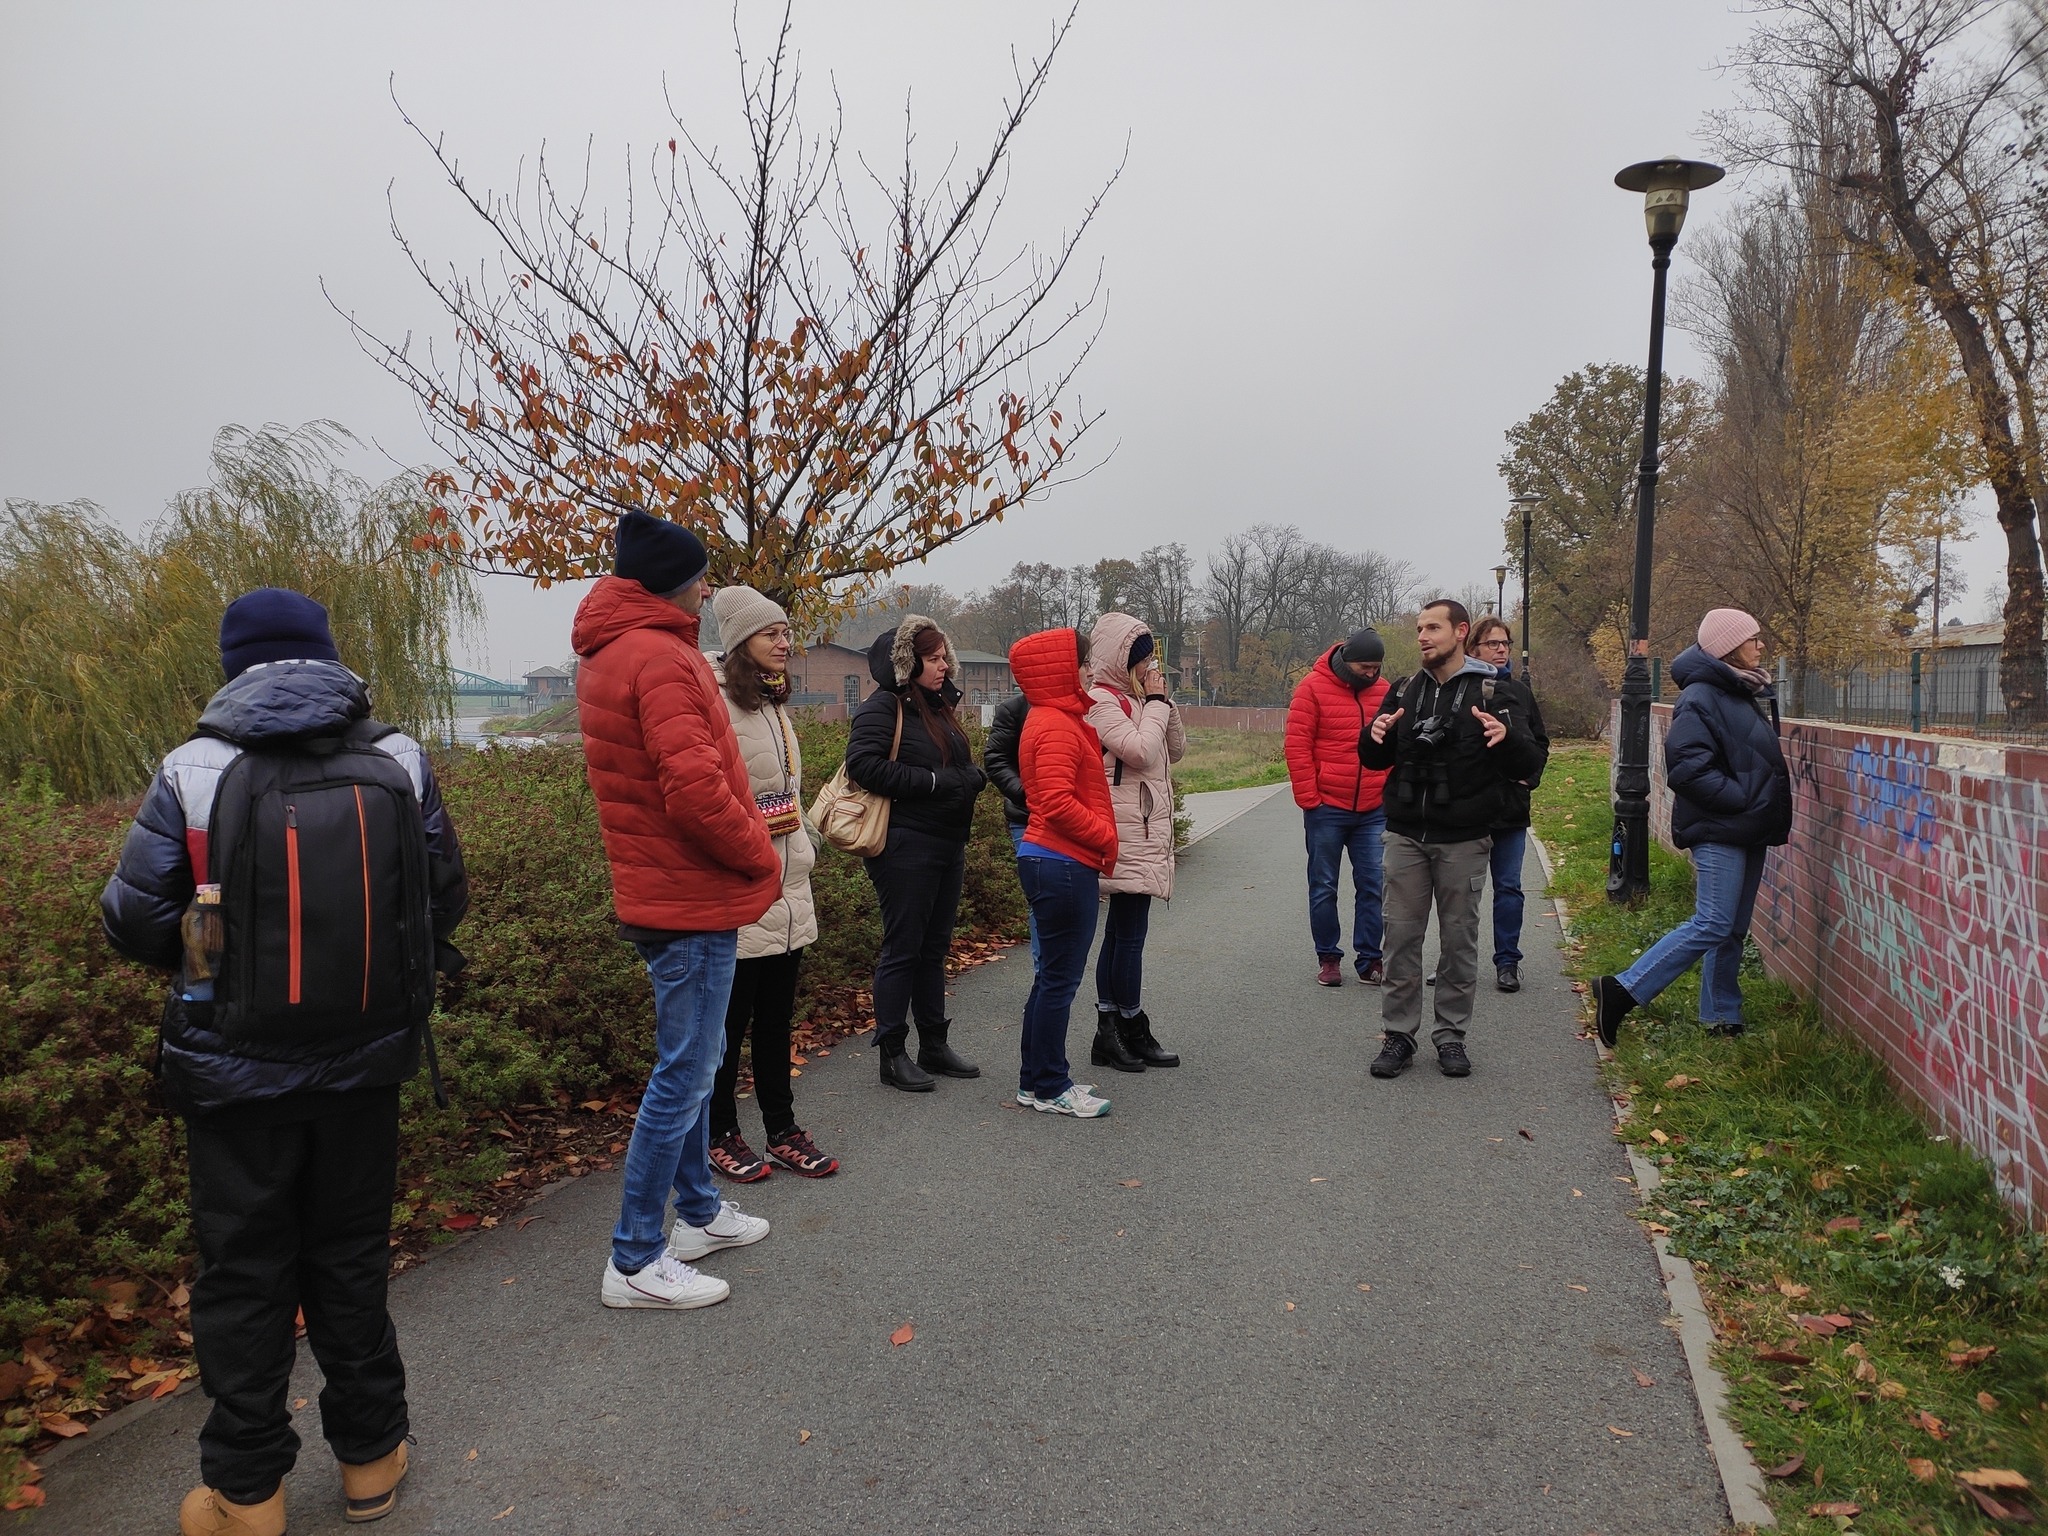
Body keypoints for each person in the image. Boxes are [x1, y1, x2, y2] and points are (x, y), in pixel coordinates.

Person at [101, 588, 469, 1536]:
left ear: (234, 666)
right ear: (327, 657)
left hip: (232, 1077)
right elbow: (444, 898)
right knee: (348, 1260)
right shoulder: (395, 756)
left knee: (243, 1274)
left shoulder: (195, 766)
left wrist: (212, 964)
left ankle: (246, 1493)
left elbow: (135, 919)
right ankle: (371, 1462)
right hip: (367, 1062)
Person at [573, 511, 780, 1311]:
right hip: (687, 894)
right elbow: (695, 790)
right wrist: (760, 854)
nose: (705, 589)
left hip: (665, 889)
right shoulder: (659, 656)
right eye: (698, 576)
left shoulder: (617, 649)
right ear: (669, 582)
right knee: (686, 1072)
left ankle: (694, 1214)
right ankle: (633, 1257)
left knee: (694, 1064)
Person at [1359, 598, 1542, 1079]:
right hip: (1404, 834)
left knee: (1459, 940)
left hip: (1464, 837)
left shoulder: (1493, 691)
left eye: (1433, 628)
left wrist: (1508, 738)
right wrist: (1373, 734)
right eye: (1419, 628)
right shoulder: (1402, 691)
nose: (1422, 636)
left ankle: (1451, 1036)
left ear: (1460, 632)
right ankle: (1398, 1035)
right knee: (1399, 938)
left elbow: (1530, 766)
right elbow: (1374, 761)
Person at [1595, 609, 1792, 1046]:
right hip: (1720, 827)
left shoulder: (1738, 690)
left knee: (1733, 927)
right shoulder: (1701, 696)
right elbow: (1686, 769)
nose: (1761, 646)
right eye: (1753, 639)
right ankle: (1623, 989)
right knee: (1713, 921)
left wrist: (1753, 807)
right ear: (1728, 647)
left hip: (1747, 826)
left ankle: (1722, 1014)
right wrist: (1742, 801)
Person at [704, 585, 839, 1182]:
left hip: (790, 884)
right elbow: (710, 799)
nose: (786, 643)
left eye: (787, 632)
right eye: (772, 634)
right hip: (741, 886)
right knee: (729, 1024)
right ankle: (719, 1133)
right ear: (740, 644)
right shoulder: (715, 704)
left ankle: (781, 1128)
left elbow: (782, 788)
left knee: (778, 1018)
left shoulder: (773, 702)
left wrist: (799, 839)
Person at [845, 613, 987, 1091]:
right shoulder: (883, 707)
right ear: (907, 663)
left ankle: (933, 1044)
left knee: (933, 949)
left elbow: (952, 765)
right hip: (905, 845)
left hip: (947, 844)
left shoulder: (937, 706)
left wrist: (971, 776)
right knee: (903, 949)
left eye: (944, 655)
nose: (943, 665)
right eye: (932, 658)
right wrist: (934, 782)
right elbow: (863, 766)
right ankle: (892, 1053)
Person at [1010, 627, 1121, 1116]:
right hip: (1061, 862)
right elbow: (1054, 802)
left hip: (1053, 860)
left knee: (1051, 978)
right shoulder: (1054, 723)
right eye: (1084, 662)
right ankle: (1052, 1085)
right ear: (1062, 668)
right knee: (1059, 981)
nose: (1091, 670)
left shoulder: (1056, 718)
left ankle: (1035, 1082)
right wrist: (1105, 835)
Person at [1084, 611, 1185, 1071]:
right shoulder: (1101, 702)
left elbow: (1174, 749)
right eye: (1141, 661)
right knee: (1127, 936)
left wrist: (1162, 700)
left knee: (1127, 933)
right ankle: (1122, 1024)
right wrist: (1156, 702)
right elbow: (1141, 751)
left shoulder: (1139, 700)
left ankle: (1117, 1027)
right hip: (1125, 832)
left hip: (1143, 831)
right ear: (1120, 663)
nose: (1149, 669)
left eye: (1151, 660)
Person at [1285, 626, 1393, 987]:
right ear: (1348, 659)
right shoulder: (1312, 688)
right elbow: (1297, 745)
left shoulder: (1384, 691)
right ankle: (1328, 956)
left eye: (1376, 666)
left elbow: (1395, 743)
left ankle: (1370, 959)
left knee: (1373, 883)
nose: (1372, 673)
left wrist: (1388, 790)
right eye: (1365, 666)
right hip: (1327, 806)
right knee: (1323, 885)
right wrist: (1309, 799)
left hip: (1373, 808)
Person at [1467, 616, 1550, 993]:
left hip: (1511, 809)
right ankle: (1455, 962)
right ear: (1473, 649)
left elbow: (1540, 743)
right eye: (1492, 644)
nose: (1501, 650)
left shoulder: (1519, 692)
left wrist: (1528, 778)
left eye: (1505, 644)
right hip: (1467, 809)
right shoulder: (1461, 689)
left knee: (1509, 887)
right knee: (1458, 892)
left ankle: (1507, 962)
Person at [981, 688, 1039, 968]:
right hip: (1025, 816)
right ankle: (1045, 978)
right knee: (1038, 899)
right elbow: (995, 759)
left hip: (1070, 816)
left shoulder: (1083, 706)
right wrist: (1025, 793)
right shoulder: (1014, 709)